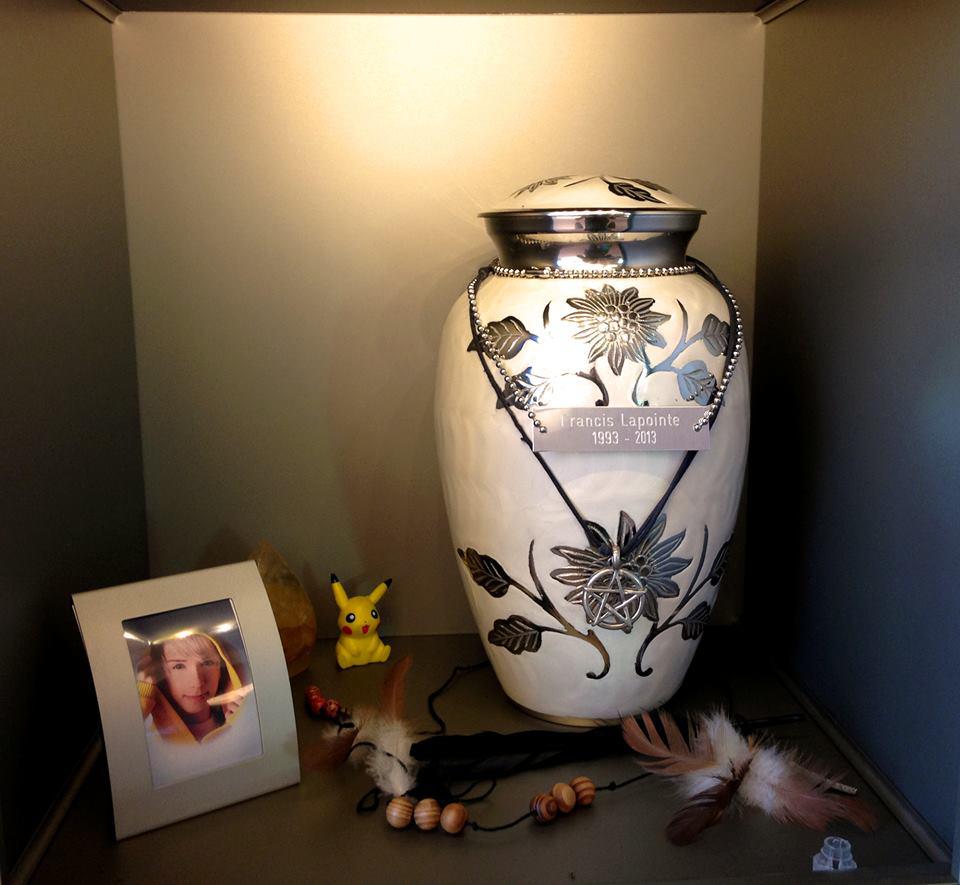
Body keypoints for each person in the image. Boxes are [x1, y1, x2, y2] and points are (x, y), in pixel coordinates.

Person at [138, 632, 249, 745]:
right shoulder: (146, 736)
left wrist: (242, 719)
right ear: (159, 674)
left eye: (207, 663)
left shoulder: (246, 719)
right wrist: (141, 704)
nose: (197, 683)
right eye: (179, 666)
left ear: (223, 669)